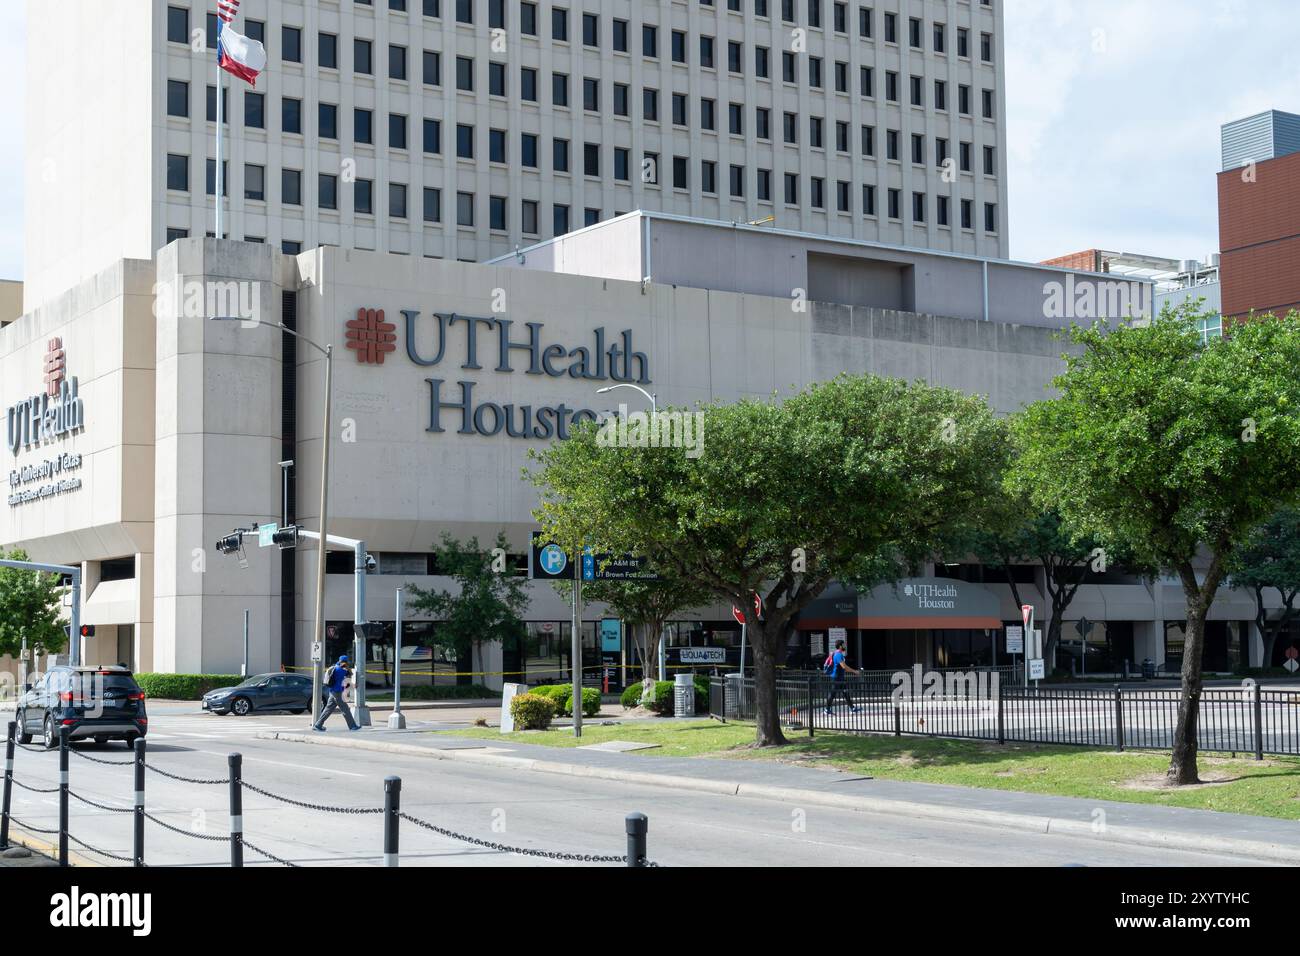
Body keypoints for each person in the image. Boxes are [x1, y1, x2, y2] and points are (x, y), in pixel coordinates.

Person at [314, 654, 360, 732]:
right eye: (346, 662)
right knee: (345, 710)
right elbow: (350, 674)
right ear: (344, 662)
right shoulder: (341, 670)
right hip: (338, 692)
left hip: (332, 692)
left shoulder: (335, 667)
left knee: (328, 710)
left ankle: (318, 725)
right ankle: (353, 726)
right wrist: (348, 668)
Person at [824, 640, 860, 715]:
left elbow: (843, 667)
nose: (845, 646)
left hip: (840, 678)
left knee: (845, 693)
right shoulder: (838, 655)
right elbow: (844, 667)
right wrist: (854, 671)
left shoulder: (837, 654)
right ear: (840, 646)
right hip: (836, 678)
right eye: (843, 645)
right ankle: (827, 709)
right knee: (833, 693)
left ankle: (852, 708)